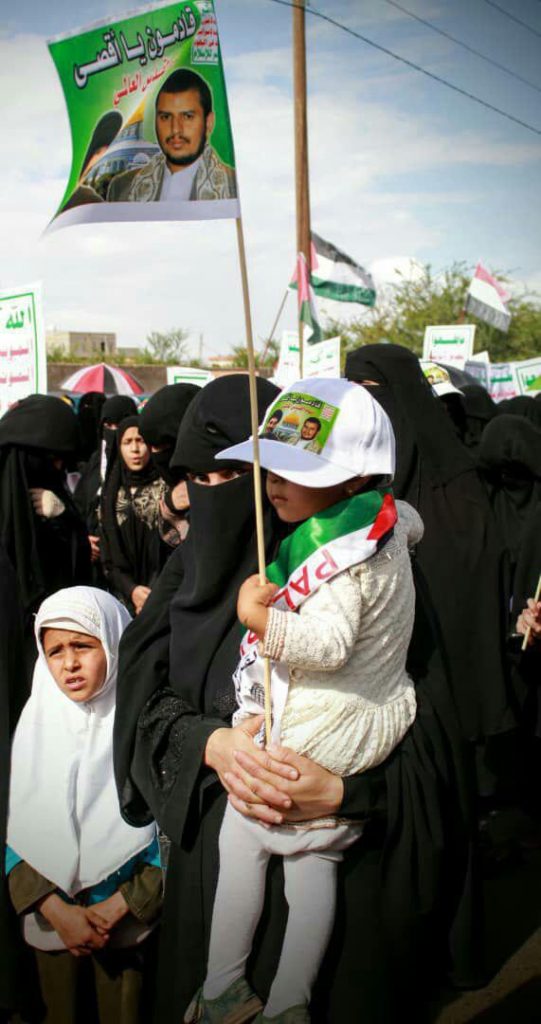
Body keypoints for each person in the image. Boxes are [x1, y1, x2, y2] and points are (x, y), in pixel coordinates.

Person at [114, 375, 479, 1023]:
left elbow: (434, 744)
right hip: (212, 887)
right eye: (200, 478)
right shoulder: (184, 577)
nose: (220, 495)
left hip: (347, 896)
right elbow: (142, 709)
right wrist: (211, 744)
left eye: (239, 476)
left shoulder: (361, 570)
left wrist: (347, 792)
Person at [194, 378, 422, 1023]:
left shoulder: (346, 558)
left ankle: (225, 983)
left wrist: (257, 618)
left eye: (295, 472)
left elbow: (328, 644)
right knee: (312, 861)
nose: (273, 485)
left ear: (354, 480)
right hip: (355, 718)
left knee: (245, 835)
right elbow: (412, 521)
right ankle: (289, 1001)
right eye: (270, 469)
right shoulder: (380, 522)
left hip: (326, 729)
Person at [5, 587, 162, 1024]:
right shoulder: (33, 730)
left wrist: (122, 905)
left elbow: (170, 829)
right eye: (55, 651)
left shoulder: (145, 725)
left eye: (83, 646)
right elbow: (14, 831)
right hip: (52, 926)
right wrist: (55, 910)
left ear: (114, 643)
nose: (69, 663)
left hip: (129, 927)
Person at [345, 343, 514, 746]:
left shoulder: (459, 492)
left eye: (370, 389)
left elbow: (472, 609)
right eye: (350, 388)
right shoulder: (347, 487)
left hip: (448, 709)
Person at [0, 394, 91, 674]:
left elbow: (77, 570)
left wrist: (65, 520)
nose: (59, 469)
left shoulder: (55, 497)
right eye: (52, 460)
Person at [107, 70, 237, 203]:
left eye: (187, 117)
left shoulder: (234, 185)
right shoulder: (123, 188)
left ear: (209, 122)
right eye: (166, 117)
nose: (175, 129)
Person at [100, 417, 167, 615]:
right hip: (124, 595)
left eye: (140, 441)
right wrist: (132, 590)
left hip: (162, 592)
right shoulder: (111, 492)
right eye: (127, 442)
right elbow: (108, 554)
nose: (135, 449)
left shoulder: (167, 488)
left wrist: (152, 593)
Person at [138, 383, 199, 546]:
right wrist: (172, 509)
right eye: (153, 447)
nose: (158, 454)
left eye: (165, 446)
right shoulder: (165, 495)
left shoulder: (229, 481)